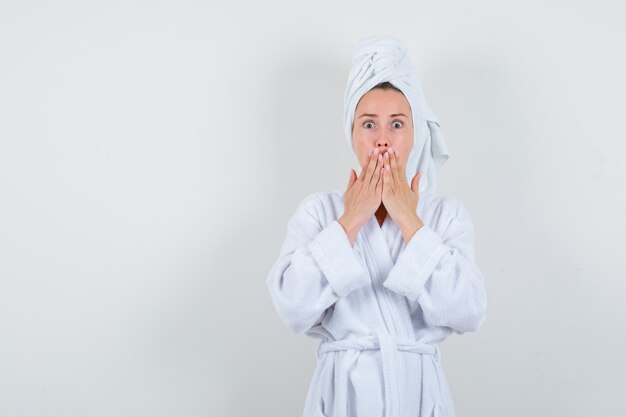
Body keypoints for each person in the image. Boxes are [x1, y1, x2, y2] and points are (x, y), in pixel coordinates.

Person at [266, 35, 487, 417]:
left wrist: (409, 221)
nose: (383, 141)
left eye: (397, 124)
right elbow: (292, 308)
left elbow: (469, 311)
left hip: (419, 397)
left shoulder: (444, 216)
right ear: (351, 134)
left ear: (415, 133)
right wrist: (350, 220)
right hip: (342, 398)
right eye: (369, 124)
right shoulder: (320, 213)